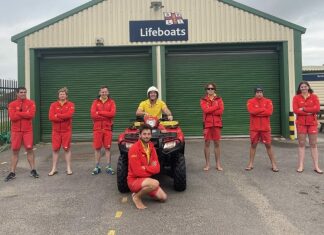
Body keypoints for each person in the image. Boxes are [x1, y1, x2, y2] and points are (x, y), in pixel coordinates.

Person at [127, 124, 167, 209]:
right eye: (144, 134)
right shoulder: (134, 149)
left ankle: (146, 189)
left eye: (148, 134)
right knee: (155, 183)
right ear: (140, 135)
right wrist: (150, 169)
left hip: (146, 180)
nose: (146, 136)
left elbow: (157, 169)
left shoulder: (151, 147)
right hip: (134, 180)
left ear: (151, 135)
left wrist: (144, 168)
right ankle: (136, 197)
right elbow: (136, 171)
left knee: (163, 197)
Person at [4, 87, 39, 182]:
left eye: (24, 92)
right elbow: (12, 117)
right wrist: (24, 113)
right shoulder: (12, 104)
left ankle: (33, 170)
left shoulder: (31, 103)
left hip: (27, 130)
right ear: (17, 93)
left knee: (29, 149)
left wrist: (18, 113)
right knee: (15, 151)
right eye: (21, 92)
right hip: (16, 131)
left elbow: (31, 115)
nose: (23, 93)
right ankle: (12, 172)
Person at [245, 86, 279, 172]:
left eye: (260, 92)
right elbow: (251, 111)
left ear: (262, 93)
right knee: (253, 145)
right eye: (257, 92)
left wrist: (257, 112)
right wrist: (263, 110)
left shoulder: (268, 101)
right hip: (254, 128)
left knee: (268, 145)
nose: (259, 94)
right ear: (255, 93)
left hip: (265, 128)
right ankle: (250, 163)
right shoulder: (250, 101)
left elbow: (269, 112)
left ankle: (273, 164)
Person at [293, 81, 323, 174]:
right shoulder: (296, 97)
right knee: (301, 143)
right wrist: (310, 111)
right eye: (302, 87)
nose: (304, 88)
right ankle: (301, 165)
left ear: (308, 87)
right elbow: (295, 110)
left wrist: (304, 109)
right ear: (299, 88)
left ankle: (316, 166)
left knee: (313, 144)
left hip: (312, 123)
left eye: (305, 86)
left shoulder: (314, 97)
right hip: (301, 123)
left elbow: (317, 108)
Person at [48, 87, 75, 176]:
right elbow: (51, 117)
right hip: (56, 131)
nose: (62, 95)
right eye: (60, 94)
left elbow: (69, 115)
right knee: (55, 149)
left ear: (66, 95)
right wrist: (63, 117)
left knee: (67, 149)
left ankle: (68, 168)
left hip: (66, 131)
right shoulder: (53, 105)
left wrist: (58, 115)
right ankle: (54, 168)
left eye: (63, 94)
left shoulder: (71, 104)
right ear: (58, 95)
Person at [90, 86, 116, 175]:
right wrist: (106, 115)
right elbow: (93, 115)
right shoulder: (95, 102)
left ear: (108, 93)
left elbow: (112, 114)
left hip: (107, 128)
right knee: (97, 148)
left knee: (107, 148)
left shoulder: (111, 102)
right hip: (97, 129)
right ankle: (97, 167)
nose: (104, 93)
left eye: (105, 92)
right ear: (99, 93)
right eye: (102, 92)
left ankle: (108, 166)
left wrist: (99, 112)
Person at [200, 83, 224, 171]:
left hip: (217, 124)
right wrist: (215, 106)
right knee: (207, 143)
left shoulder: (219, 99)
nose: (210, 90)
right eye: (208, 88)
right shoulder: (203, 100)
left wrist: (211, 109)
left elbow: (221, 111)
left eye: (212, 88)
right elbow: (205, 110)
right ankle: (207, 164)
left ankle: (218, 164)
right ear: (206, 90)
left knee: (217, 144)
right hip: (207, 124)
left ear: (214, 89)